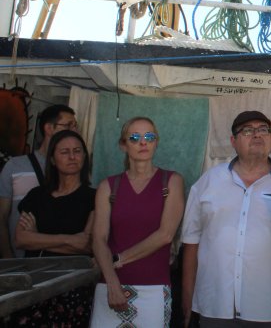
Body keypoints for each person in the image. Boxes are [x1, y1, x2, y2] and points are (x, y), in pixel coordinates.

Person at [182, 111, 271, 327]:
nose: (257, 134)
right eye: (247, 131)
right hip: (215, 305)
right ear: (233, 141)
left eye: (263, 129)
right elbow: (191, 243)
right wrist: (187, 299)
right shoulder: (209, 181)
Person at [91, 116, 185, 328]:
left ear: (156, 142)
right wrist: (112, 281)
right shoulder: (108, 186)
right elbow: (98, 238)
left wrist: (118, 259)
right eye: (134, 137)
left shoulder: (171, 181)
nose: (143, 142)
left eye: (149, 137)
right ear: (123, 145)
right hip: (110, 288)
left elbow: (165, 235)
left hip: (153, 289)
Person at [12, 129, 95, 326]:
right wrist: (69, 239)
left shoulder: (94, 197)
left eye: (77, 151)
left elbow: (86, 245)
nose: (72, 156)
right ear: (52, 159)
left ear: (85, 156)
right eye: (64, 152)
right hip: (32, 285)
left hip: (72, 288)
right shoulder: (36, 196)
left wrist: (38, 238)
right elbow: (21, 239)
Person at [0, 104, 77, 257]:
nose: (74, 131)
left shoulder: (73, 168)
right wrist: (8, 258)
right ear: (49, 128)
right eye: (69, 125)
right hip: (19, 259)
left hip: (60, 261)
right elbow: (1, 217)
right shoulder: (14, 166)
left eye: (75, 126)